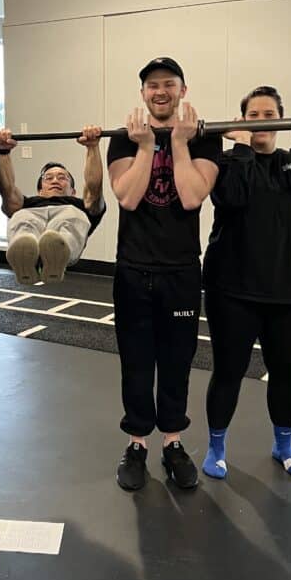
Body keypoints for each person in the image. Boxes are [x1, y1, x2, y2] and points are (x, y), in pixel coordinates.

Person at [201, 86, 291, 480]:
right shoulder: (226, 162)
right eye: (253, 115)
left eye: (269, 113)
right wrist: (240, 148)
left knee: (286, 373)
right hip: (232, 291)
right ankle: (216, 447)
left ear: (282, 117)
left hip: (287, 292)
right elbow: (231, 199)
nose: (262, 121)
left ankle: (284, 446)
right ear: (242, 121)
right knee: (228, 371)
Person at [107, 57, 221, 492]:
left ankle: (172, 443)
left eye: (168, 84)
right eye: (152, 85)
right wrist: (144, 147)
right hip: (133, 269)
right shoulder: (122, 140)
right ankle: (137, 444)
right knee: (136, 362)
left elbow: (192, 197)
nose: (160, 91)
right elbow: (129, 197)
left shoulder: (204, 141)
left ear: (182, 91)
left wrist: (178, 143)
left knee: (176, 361)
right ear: (142, 94)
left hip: (180, 271)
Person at [0, 125, 105, 283]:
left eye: (62, 177)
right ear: (39, 190)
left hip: (67, 213)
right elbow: (8, 191)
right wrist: (3, 152)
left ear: (73, 191)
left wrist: (92, 147)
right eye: (48, 178)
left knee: (71, 220)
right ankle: (24, 254)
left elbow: (94, 189)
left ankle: (58, 252)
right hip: (33, 214)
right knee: (22, 219)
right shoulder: (28, 203)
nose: (55, 180)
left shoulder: (80, 205)